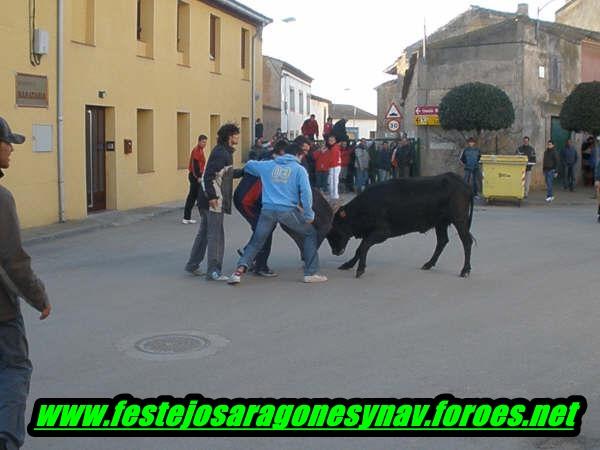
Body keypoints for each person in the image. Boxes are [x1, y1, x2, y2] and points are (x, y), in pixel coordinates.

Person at [0, 117, 51, 450]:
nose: (12, 149)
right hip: (2, 312)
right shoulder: (1, 198)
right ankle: (6, 438)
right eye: (8, 143)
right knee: (15, 368)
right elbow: (13, 259)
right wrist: (40, 298)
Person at [227, 143, 327, 284]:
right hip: (287, 211)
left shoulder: (269, 165)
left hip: (267, 210)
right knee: (310, 234)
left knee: (256, 241)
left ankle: (238, 272)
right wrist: (309, 215)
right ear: (299, 155)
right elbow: (306, 193)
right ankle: (311, 273)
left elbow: (249, 165)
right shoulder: (299, 170)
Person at [233, 140, 288, 277]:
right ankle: (260, 266)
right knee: (265, 229)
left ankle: (249, 253)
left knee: (265, 228)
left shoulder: (268, 159)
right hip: (247, 201)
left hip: (251, 200)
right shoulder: (272, 164)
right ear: (281, 152)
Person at [203, 123, 243, 281]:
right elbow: (209, 176)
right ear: (229, 136)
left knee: (206, 234)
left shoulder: (224, 152)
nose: (238, 137)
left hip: (215, 198)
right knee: (216, 235)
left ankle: (192, 264)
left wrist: (245, 171)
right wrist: (212, 197)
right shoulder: (221, 153)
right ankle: (213, 271)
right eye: (236, 134)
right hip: (215, 200)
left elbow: (227, 174)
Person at [183, 135, 207, 224]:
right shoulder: (197, 150)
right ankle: (186, 217)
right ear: (199, 141)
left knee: (195, 197)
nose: (204, 144)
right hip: (194, 176)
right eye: (203, 142)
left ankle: (187, 217)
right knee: (192, 197)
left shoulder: (200, 150)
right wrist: (198, 177)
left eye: (205, 142)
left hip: (197, 176)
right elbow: (195, 166)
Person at [326, 135, 342, 200]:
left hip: (335, 165)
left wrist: (327, 164)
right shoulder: (333, 147)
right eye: (329, 140)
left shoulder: (334, 147)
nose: (330, 142)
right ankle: (333, 194)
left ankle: (335, 195)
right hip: (333, 165)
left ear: (335, 141)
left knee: (334, 181)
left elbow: (332, 158)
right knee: (332, 180)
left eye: (332, 140)